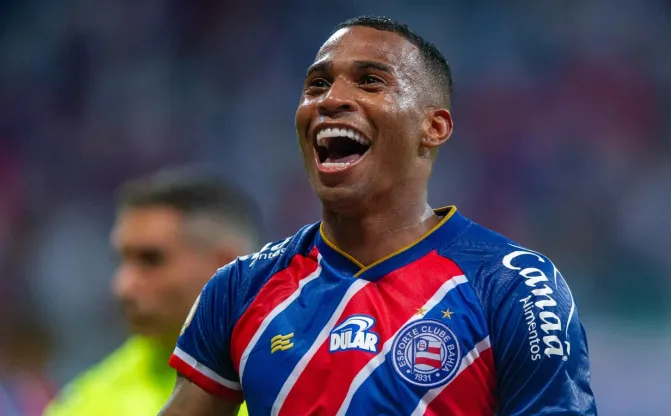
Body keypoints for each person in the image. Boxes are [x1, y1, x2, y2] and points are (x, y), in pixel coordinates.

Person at [161, 16, 597, 416]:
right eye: (317, 85)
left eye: (370, 82)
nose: (331, 100)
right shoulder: (240, 289)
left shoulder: (514, 286)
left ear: (435, 127)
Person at [44, 168, 258, 416]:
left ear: (226, 265)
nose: (122, 286)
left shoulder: (296, 378)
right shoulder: (86, 404)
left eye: (151, 260)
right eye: (122, 260)